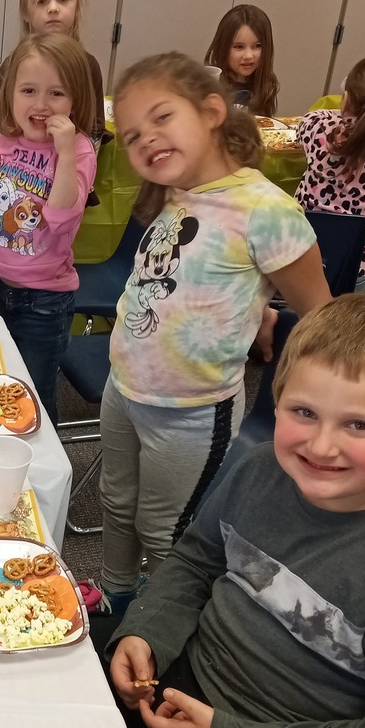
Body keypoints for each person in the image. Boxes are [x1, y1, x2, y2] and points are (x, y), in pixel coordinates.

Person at [97, 51, 331, 614]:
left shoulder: (265, 210)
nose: (146, 139)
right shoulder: (178, 195)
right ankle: (114, 595)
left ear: (209, 112)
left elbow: (322, 318)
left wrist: (301, 404)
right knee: (114, 503)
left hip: (191, 411)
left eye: (160, 117)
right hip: (124, 389)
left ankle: (163, 625)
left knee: (165, 531)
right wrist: (257, 312)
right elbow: (194, 279)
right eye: (131, 135)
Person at [106, 294, 365, 728]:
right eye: (304, 413)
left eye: (359, 425)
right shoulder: (259, 470)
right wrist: (147, 631)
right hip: (183, 671)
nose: (321, 445)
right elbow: (196, 561)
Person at [0, 33, 97, 427]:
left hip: (45, 304)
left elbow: (62, 216)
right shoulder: (3, 143)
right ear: (9, 94)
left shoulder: (78, 151)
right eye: (29, 90)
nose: (41, 104)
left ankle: (35, 477)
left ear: (76, 100)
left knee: (34, 398)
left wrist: (63, 154)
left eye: (57, 93)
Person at [295, 54, 365, 292]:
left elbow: (308, 120)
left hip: (301, 255)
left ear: (347, 97)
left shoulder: (322, 131)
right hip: (357, 269)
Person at [14, 0, 106, 146]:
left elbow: (95, 131)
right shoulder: (13, 65)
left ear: (77, 6)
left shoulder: (89, 67)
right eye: (41, 1)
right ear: (25, 12)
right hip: (16, 171)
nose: (53, 8)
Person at [205, 4, 279, 116]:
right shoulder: (211, 86)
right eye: (239, 47)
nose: (248, 55)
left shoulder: (265, 87)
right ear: (223, 47)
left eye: (257, 46)